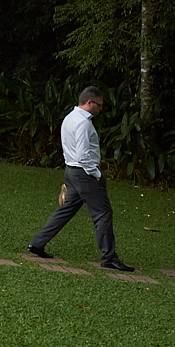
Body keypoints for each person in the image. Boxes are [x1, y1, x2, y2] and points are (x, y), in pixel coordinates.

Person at [27, 86, 135, 271]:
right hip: (84, 173)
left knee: (66, 210)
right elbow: (83, 155)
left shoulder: (70, 118)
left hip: (71, 172)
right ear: (89, 103)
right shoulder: (84, 123)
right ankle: (108, 258)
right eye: (99, 105)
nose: (100, 109)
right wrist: (97, 174)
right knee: (103, 214)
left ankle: (37, 244)